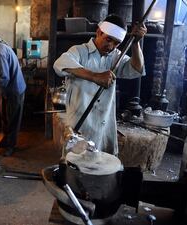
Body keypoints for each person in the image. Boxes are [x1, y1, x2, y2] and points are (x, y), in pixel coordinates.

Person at [53, 15, 147, 156]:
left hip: (104, 125)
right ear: (98, 32)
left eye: (116, 43)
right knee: (75, 165)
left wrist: (135, 43)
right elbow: (59, 64)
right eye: (108, 39)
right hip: (80, 122)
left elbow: (136, 70)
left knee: (101, 166)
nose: (111, 46)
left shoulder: (116, 56)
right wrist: (95, 76)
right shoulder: (80, 51)